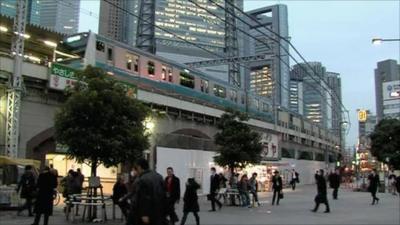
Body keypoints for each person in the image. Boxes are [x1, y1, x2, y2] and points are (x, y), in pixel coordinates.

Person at [132, 158, 166, 225]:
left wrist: (144, 214)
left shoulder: (142, 179)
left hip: (146, 214)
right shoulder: (159, 176)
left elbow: (144, 197)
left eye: (136, 168)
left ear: (139, 167)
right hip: (159, 212)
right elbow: (164, 194)